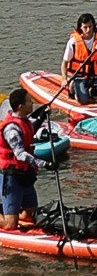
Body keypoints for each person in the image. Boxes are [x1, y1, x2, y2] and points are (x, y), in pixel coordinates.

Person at [0, 86, 41, 234]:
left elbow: (28, 132)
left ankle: (10, 210)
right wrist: (44, 163)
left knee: (30, 214)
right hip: (12, 177)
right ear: (21, 106)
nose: (32, 103)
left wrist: (41, 117)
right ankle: (9, 215)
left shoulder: (24, 120)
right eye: (29, 101)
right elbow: (20, 154)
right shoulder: (11, 129)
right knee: (10, 225)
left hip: (25, 176)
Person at [63, 14, 97, 104]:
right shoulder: (73, 42)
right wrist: (64, 79)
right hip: (79, 77)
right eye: (85, 27)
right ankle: (74, 89)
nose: (88, 30)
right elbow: (64, 63)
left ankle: (93, 90)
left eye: (90, 26)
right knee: (84, 100)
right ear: (80, 27)